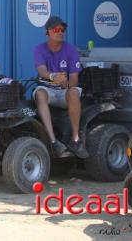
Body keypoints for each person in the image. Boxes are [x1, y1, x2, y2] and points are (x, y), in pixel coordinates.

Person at [33, 16, 89, 159]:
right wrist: (53, 77)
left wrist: (66, 83)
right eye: (56, 29)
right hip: (48, 89)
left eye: (62, 29)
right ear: (48, 32)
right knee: (39, 93)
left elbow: (74, 80)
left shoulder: (71, 50)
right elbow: (41, 71)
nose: (60, 32)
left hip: (64, 91)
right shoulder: (39, 49)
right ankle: (53, 141)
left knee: (74, 93)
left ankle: (76, 140)